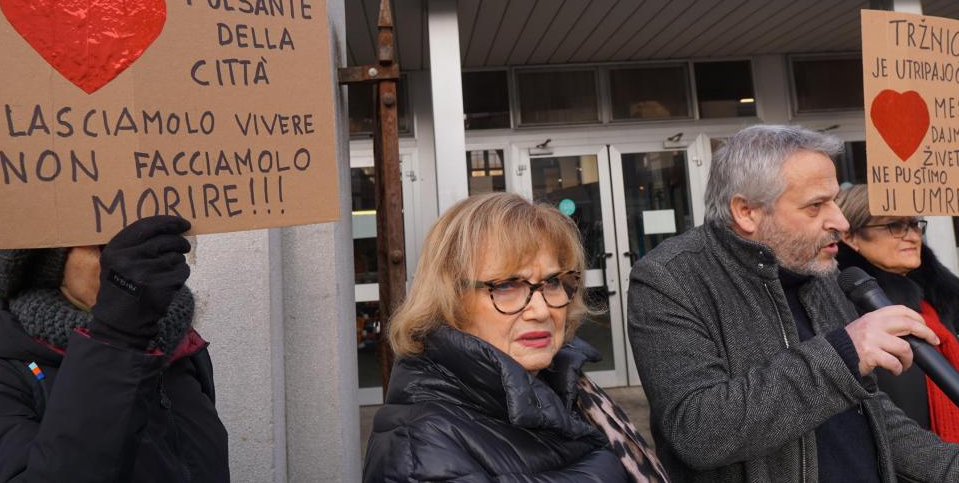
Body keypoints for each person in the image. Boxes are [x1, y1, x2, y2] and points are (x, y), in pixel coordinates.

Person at [627, 125, 959, 482]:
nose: (840, 221)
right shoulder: (670, 278)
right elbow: (698, 431)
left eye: (833, 199)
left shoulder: (820, 272)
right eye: (816, 205)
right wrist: (844, 353)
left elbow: (875, 415)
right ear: (746, 212)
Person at [363, 192, 668, 482]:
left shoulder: (568, 388)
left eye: (552, 282)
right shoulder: (419, 449)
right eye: (507, 285)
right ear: (448, 300)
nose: (541, 309)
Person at [0, 215, 229, 482]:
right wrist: (119, 336)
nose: (132, 259)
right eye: (104, 242)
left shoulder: (176, 341)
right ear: (50, 264)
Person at [836, 183, 959, 442]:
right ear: (850, 237)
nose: (913, 236)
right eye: (894, 226)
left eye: (915, 225)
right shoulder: (845, 307)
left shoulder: (938, 300)